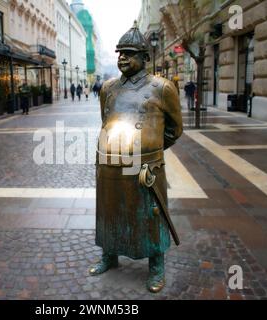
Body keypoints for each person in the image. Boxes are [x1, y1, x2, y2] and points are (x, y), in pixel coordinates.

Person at [89, 22, 183, 293]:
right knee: (110, 210)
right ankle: (109, 255)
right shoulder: (108, 88)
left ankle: (156, 266)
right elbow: (106, 121)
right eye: (120, 53)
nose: (122, 58)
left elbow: (175, 130)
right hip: (110, 164)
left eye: (129, 53)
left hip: (145, 167)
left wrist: (148, 150)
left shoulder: (162, 88)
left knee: (151, 215)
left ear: (144, 58)